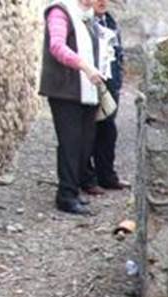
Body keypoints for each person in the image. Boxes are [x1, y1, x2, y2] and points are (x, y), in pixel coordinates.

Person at [39, 0, 104, 215]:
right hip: (65, 91)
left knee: (85, 143)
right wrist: (85, 66)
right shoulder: (60, 11)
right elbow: (57, 46)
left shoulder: (88, 16)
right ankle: (65, 196)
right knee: (70, 144)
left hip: (87, 90)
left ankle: (73, 189)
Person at [83, 0, 127, 195]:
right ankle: (86, 179)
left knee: (108, 130)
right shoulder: (83, 21)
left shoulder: (110, 22)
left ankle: (106, 176)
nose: (102, 1)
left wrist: (116, 83)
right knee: (87, 132)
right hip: (89, 82)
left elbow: (117, 55)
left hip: (109, 85)